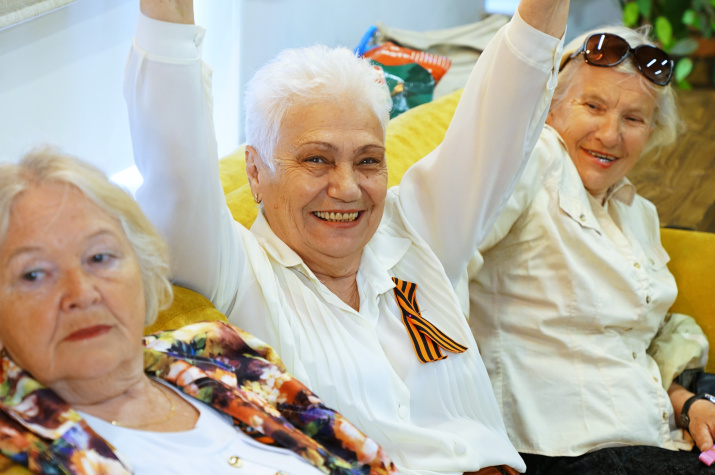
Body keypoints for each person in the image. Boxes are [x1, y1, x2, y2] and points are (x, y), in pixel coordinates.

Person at [126, 0, 569, 473]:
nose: (347, 188)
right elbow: (175, 155)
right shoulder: (235, 269)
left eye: (367, 160)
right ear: (255, 171)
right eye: (316, 159)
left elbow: (505, 106)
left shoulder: (418, 230)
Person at [0, 150, 396, 474]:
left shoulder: (214, 349)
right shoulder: (16, 448)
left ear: (143, 268)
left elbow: (365, 463)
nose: (81, 293)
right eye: (33, 274)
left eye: (99, 257)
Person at [467, 26, 714, 474]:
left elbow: (636, 340)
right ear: (551, 107)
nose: (610, 134)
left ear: (652, 130)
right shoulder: (531, 162)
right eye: (593, 106)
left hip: (652, 440)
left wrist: (688, 404)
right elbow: (437, 264)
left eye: (633, 119)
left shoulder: (638, 212)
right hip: (562, 451)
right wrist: (462, 435)